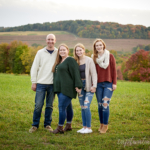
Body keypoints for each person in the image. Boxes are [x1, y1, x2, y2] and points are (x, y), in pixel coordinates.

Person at [51, 44, 83, 134]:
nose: (62, 51)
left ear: (68, 50)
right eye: (60, 50)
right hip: (60, 88)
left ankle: (60, 127)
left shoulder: (70, 60)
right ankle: (68, 125)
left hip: (67, 88)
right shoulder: (59, 61)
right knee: (68, 107)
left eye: (64, 50)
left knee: (61, 107)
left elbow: (76, 73)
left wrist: (78, 85)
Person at [29, 34, 58, 133]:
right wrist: (34, 82)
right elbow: (34, 68)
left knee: (49, 106)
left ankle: (47, 125)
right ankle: (34, 125)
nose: (50, 41)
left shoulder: (58, 52)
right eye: (49, 39)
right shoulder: (40, 52)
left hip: (52, 84)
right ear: (46, 40)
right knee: (38, 105)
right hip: (40, 83)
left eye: (52, 39)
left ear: (55, 40)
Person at [92, 39, 117, 134]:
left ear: (103, 46)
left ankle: (105, 125)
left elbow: (114, 70)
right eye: (96, 46)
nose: (98, 47)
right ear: (95, 47)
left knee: (105, 105)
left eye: (100, 45)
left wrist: (114, 83)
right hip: (98, 84)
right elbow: (93, 72)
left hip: (108, 84)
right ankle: (101, 124)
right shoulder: (94, 58)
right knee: (100, 105)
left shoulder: (110, 56)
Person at [73, 43, 97, 134]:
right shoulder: (75, 61)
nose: (79, 52)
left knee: (86, 106)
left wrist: (94, 86)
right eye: (77, 50)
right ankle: (84, 127)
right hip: (80, 86)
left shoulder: (89, 60)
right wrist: (76, 87)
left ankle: (89, 128)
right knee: (82, 107)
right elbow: (74, 76)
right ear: (75, 52)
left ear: (83, 50)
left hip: (89, 85)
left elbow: (94, 73)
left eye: (80, 50)